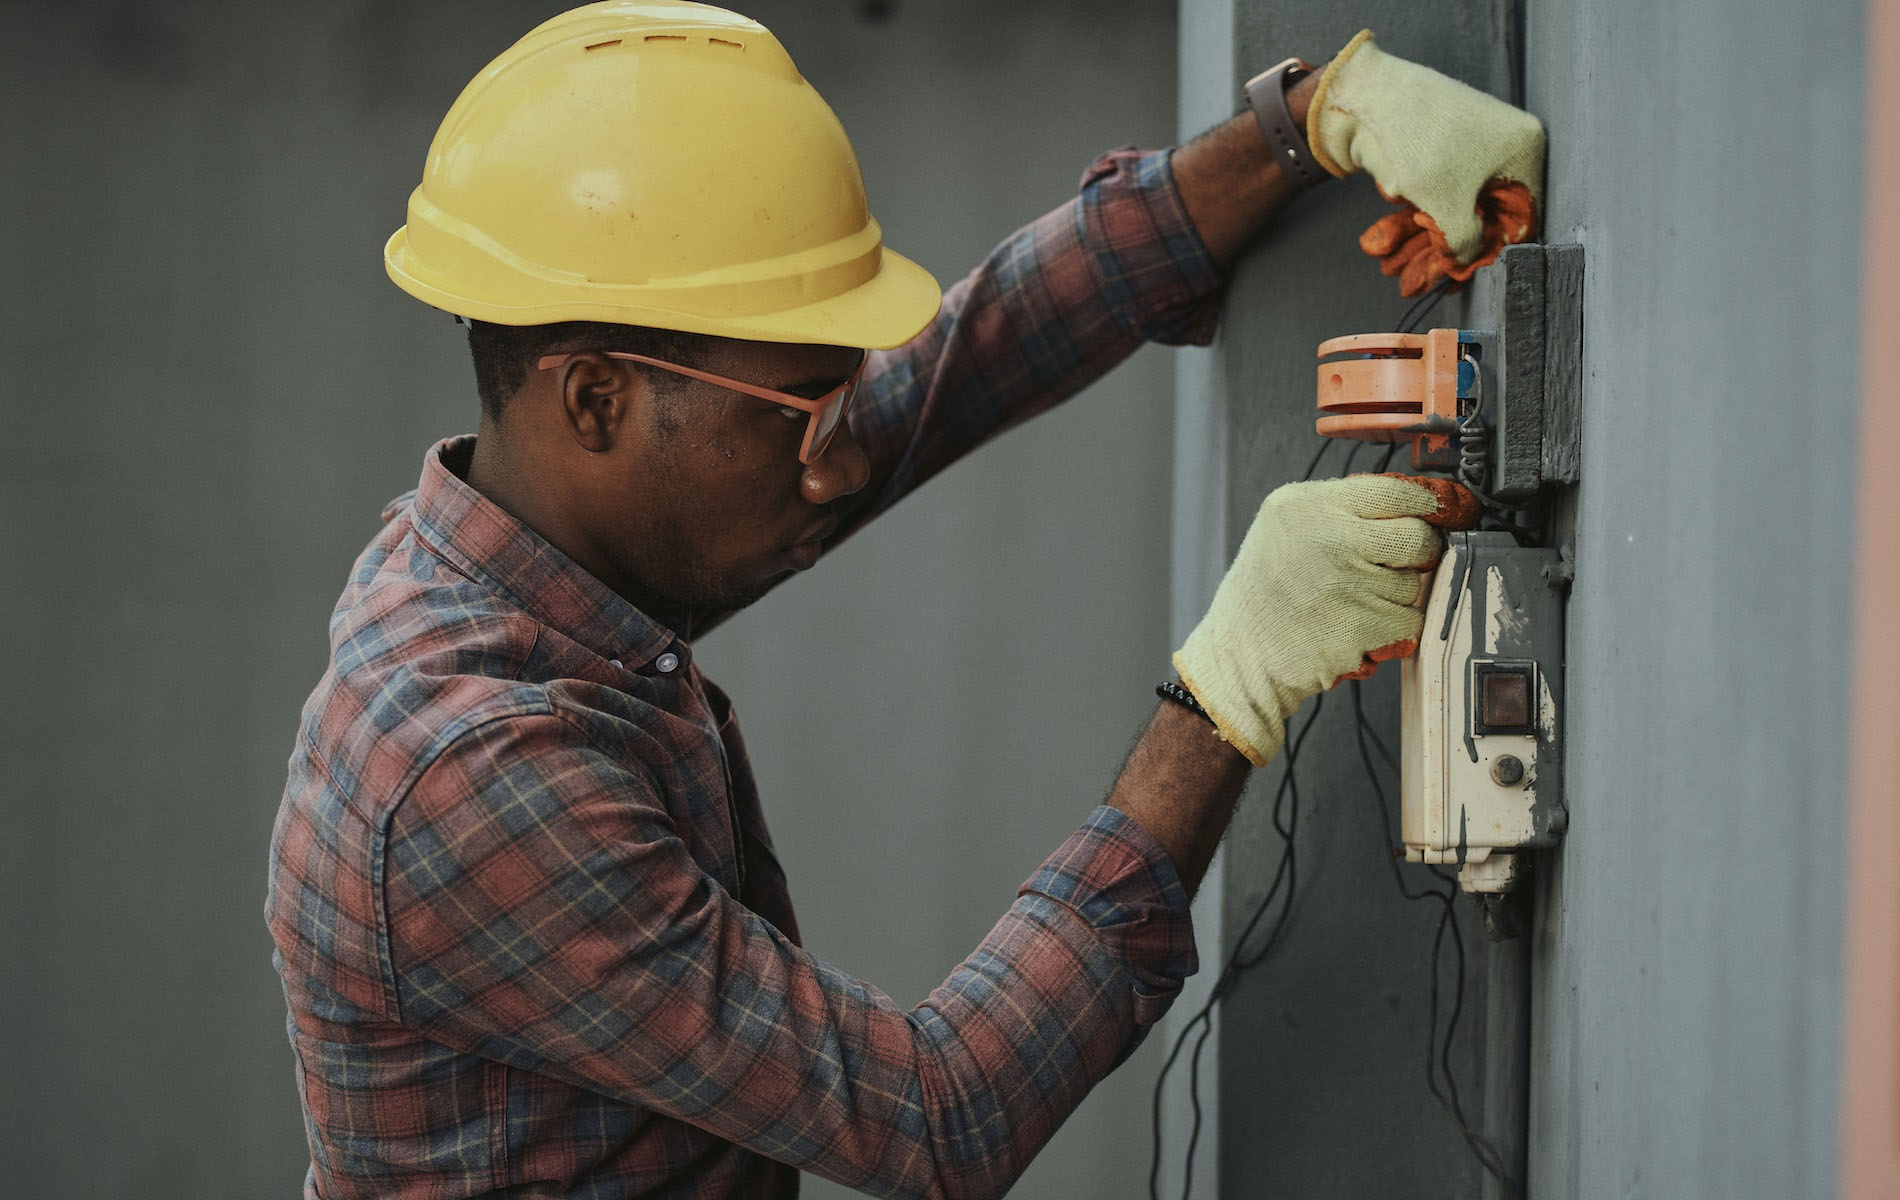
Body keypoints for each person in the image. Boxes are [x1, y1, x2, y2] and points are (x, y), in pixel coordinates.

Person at [265, 3, 1545, 1196]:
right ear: (597, 399)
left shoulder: (515, 553)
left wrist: (1308, 124)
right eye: (801, 415)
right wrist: (1228, 689)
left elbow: (968, 356)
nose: (835, 464)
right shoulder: (471, 774)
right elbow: (936, 1115)